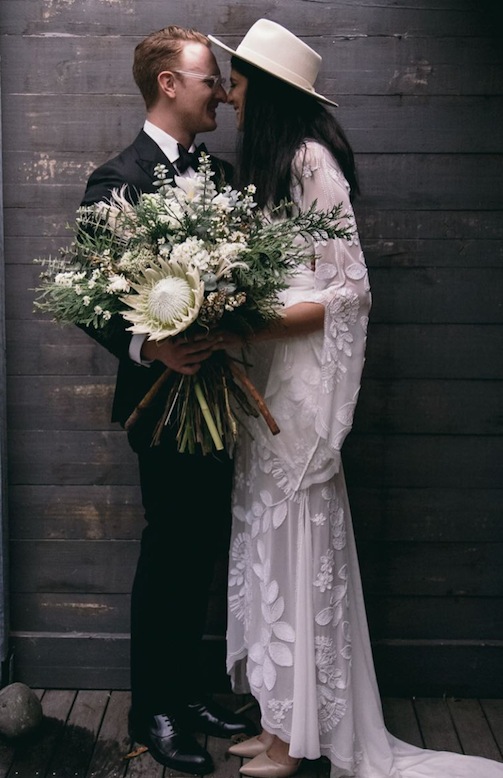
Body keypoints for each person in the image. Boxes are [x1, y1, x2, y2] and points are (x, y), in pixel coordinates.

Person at [206, 19, 503, 778]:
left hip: (302, 392)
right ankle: (279, 719)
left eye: (241, 83)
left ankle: (295, 738)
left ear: (270, 92)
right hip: (266, 386)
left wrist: (243, 318)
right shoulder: (276, 166)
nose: (231, 95)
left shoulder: (313, 162)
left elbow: (348, 292)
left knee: (296, 545)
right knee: (267, 547)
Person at [80, 26, 254, 776]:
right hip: (159, 398)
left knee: (207, 542)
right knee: (170, 548)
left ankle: (191, 691)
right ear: (168, 86)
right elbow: (90, 301)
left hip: (214, 395)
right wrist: (151, 348)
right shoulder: (113, 179)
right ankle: (151, 707)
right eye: (207, 77)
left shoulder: (214, 174)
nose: (218, 89)